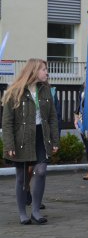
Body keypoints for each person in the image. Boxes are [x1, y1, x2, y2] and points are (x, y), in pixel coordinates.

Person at [2, 59, 59, 225]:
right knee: (21, 177)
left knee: (41, 171)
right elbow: (7, 122)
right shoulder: (14, 92)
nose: (46, 72)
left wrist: (55, 140)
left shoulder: (46, 90)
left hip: (41, 136)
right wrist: (9, 144)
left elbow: (53, 118)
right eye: (43, 69)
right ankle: (22, 213)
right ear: (33, 71)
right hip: (22, 138)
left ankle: (35, 211)